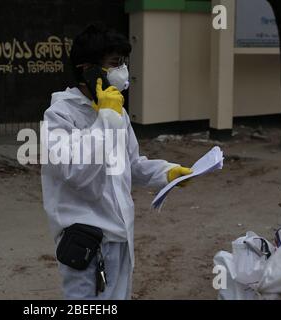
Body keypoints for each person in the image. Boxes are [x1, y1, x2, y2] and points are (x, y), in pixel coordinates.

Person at [41, 24, 193, 299]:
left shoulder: (116, 112)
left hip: (121, 237)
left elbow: (131, 164)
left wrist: (167, 173)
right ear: (88, 70)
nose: (122, 71)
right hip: (87, 243)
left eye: (123, 63)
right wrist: (106, 120)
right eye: (114, 64)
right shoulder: (59, 116)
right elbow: (77, 172)